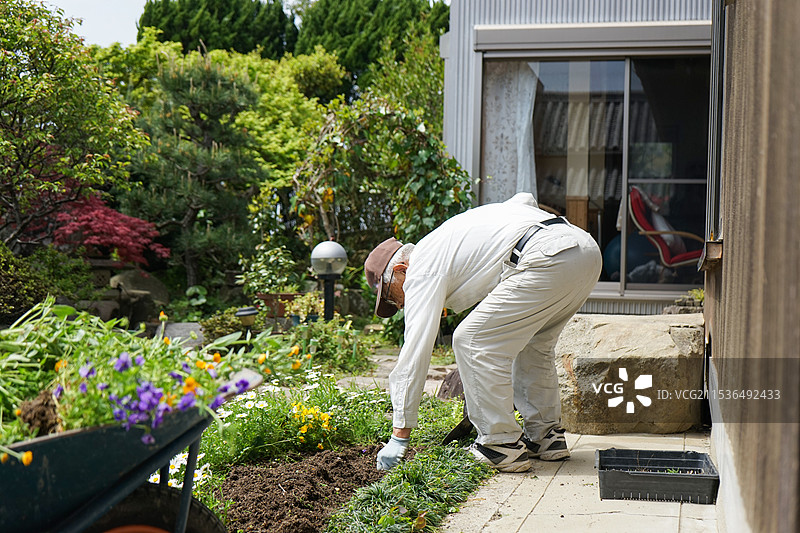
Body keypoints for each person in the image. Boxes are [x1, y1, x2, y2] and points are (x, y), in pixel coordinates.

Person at [364, 192, 602, 472]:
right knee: (533, 346)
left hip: (545, 257)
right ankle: (545, 437)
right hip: (583, 249)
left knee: (471, 340)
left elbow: (414, 351)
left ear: (401, 270)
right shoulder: (451, 237)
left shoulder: (421, 267)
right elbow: (524, 199)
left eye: (392, 297)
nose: (399, 305)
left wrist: (399, 435)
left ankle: (499, 445)